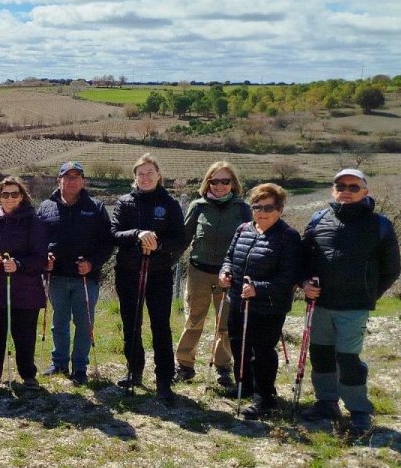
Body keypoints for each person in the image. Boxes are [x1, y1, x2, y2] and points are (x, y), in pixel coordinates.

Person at [300, 168, 401, 434]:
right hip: (320, 304)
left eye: (353, 187)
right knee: (321, 355)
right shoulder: (318, 219)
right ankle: (326, 402)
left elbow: (391, 269)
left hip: (354, 307)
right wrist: (304, 283)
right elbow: (303, 259)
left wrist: (368, 293)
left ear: (365, 192)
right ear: (333, 190)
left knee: (348, 359)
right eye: (340, 185)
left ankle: (358, 410)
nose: (346, 190)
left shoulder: (379, 225)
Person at [218, 182, 302, 419]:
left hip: (268, 306)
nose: (261, 212)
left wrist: (259, 288)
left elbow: (289, 277)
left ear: (280, 209)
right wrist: (225, 272)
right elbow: (229, 257)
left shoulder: (288, 237)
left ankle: (265, 398)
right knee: (238, 344)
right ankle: (244, 385)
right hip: (237, 299)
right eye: (257, 207)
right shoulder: (243, 229)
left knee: (261, 351)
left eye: (268, 208)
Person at [111, 153, 186, 402]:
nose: (145, 178)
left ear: (158, 176)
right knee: (131, 323)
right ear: (134, 178)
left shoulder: (170, 203)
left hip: (159, 274)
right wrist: (137, 234)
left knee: (160, 326)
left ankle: (164, 379)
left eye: (149, 173)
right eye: (140, 174)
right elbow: (114, 233)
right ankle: (134, 371)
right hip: (128, 272)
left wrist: (158, 245)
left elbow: (180, 240)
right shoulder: (124, 202)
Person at [37, 161, 114, 385]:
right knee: (59, 321)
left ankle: (80, 367)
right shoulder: (45, 208)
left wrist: (92, 263)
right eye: (67, 176)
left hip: (85, 278)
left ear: (83, 181)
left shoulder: (96, 208)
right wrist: (44, 260)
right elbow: (37, 242)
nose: (71, 181)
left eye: (76, 177)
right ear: (58, 180)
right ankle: (59, 363)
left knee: (84, 323)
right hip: (56, 277)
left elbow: (107, 244)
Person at [175, 161, 251, 386]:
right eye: (214, 181)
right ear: (207, 182)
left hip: (229, 275)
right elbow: (185, 237)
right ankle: (185, 364)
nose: (219, 185)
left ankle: (222, 367)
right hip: (199, 271)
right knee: (193, 319)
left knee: (225, 324)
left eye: (224, 181)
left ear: (232, 184)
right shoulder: (198, 206)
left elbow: (249, 240)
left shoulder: (242, 208)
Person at [0, 177, 48, 387]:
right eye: (5, 194)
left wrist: (19, 264)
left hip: (26, 289)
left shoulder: (33, 222)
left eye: (14, 194)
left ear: (22, 197)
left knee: (25, 334)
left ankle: (28, 374)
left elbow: (40, 258)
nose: (9, 198)